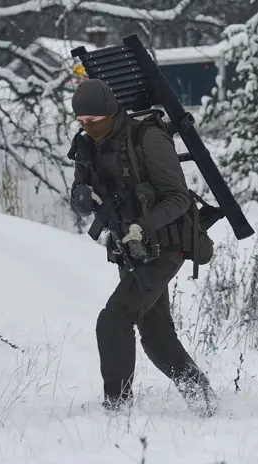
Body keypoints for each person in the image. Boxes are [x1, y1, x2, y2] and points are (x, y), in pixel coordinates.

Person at [68, 78, 216, 416]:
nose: (88, 127)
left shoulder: (147, 138)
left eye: (93, 120)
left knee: (114, 319)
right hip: (130, 248)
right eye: (82, 121)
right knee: (155, 334)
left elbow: (178, 198)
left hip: (167, 243)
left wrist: (141, 226)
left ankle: (116, 406)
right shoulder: (86, 146)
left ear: (110, 112)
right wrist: (82, 196)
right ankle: (204, 400)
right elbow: (79, 191)